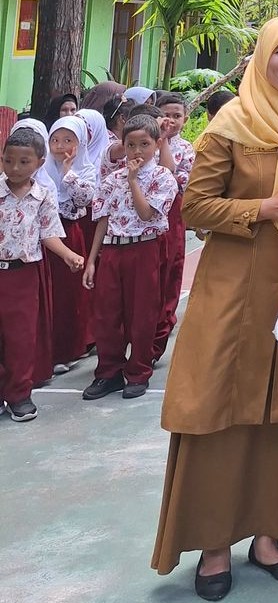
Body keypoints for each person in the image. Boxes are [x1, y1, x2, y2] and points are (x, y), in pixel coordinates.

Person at [151, 16, 278, 601]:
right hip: (233, 294)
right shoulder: (230, 123)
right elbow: (196, 207)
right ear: (262, 58)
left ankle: (268, 538)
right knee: (222, 411)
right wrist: (266, 208)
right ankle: (214, 547)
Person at [81, 115, 177, 401]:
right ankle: (109, 372)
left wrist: (134, 180)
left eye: (144, 144)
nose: (137, 151)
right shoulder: (112, 180)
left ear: (157, 144)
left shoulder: (162, 177)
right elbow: (102, 219)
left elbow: (146, 214)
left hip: (144, 249)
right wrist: (92, 260)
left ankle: (138, 372)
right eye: (131, 144)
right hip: (112, 249)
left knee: (142, 313)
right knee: (107, 313)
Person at [0, 128, 85, 421]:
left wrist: (69, 255)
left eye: (23, 162)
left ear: (39, 162)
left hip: (23, 276)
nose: (14, 168)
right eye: (8, 160)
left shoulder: (42, 197)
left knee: (21, 338)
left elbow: (48, 234)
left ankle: (19, 395)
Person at [44, 116, 95, 370]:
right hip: (45, 239)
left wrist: (67, 172)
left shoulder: (85, 169)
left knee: (69, 294)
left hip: (70, 234)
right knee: (49, 294)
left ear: (80, 143)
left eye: (68, 140)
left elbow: (84, 199)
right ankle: (48, 351)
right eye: (55, 140)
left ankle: (68, 349)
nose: (60, 146)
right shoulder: (41, 168)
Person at [150, 93, 195, 364]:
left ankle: (160, 333)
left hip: (172, 213)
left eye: (177, 116)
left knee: (171, 269)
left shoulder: (186, 148)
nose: (171, 120)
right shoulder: (145, 142)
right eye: (166, 115)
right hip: (144, 217)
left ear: (185, 119)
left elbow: (180, 179)